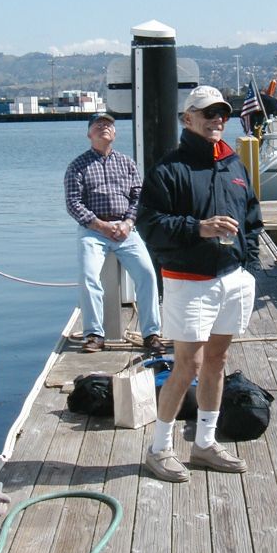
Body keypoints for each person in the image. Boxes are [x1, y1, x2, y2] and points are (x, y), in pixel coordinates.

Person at [136, 86, 262, 482]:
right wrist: (199, 228)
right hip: (189, 282)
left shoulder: (235, 165)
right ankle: (159, 450)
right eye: (207, 113)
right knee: (186, 364)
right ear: (187, 119)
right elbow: (149, 226)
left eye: (221, 113)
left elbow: (253, 220)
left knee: (218, 361)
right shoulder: (168, 170)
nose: (217, 120)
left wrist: (249, 266)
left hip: (233, 278)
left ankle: (204, 444)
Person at [64, 112, 165, 354]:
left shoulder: (127, 163)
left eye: (108, 125)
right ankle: (94, 334)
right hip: (93, 231)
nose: (104, 128)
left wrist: (129, 223)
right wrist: (101, 226)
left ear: (115, 133)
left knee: (148, 275)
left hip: (125, 229)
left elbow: (138, 197)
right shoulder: (77, 166)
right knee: (89, 277)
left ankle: (151, 333)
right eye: (98, 125)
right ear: (89, 134)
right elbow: (73, 204)